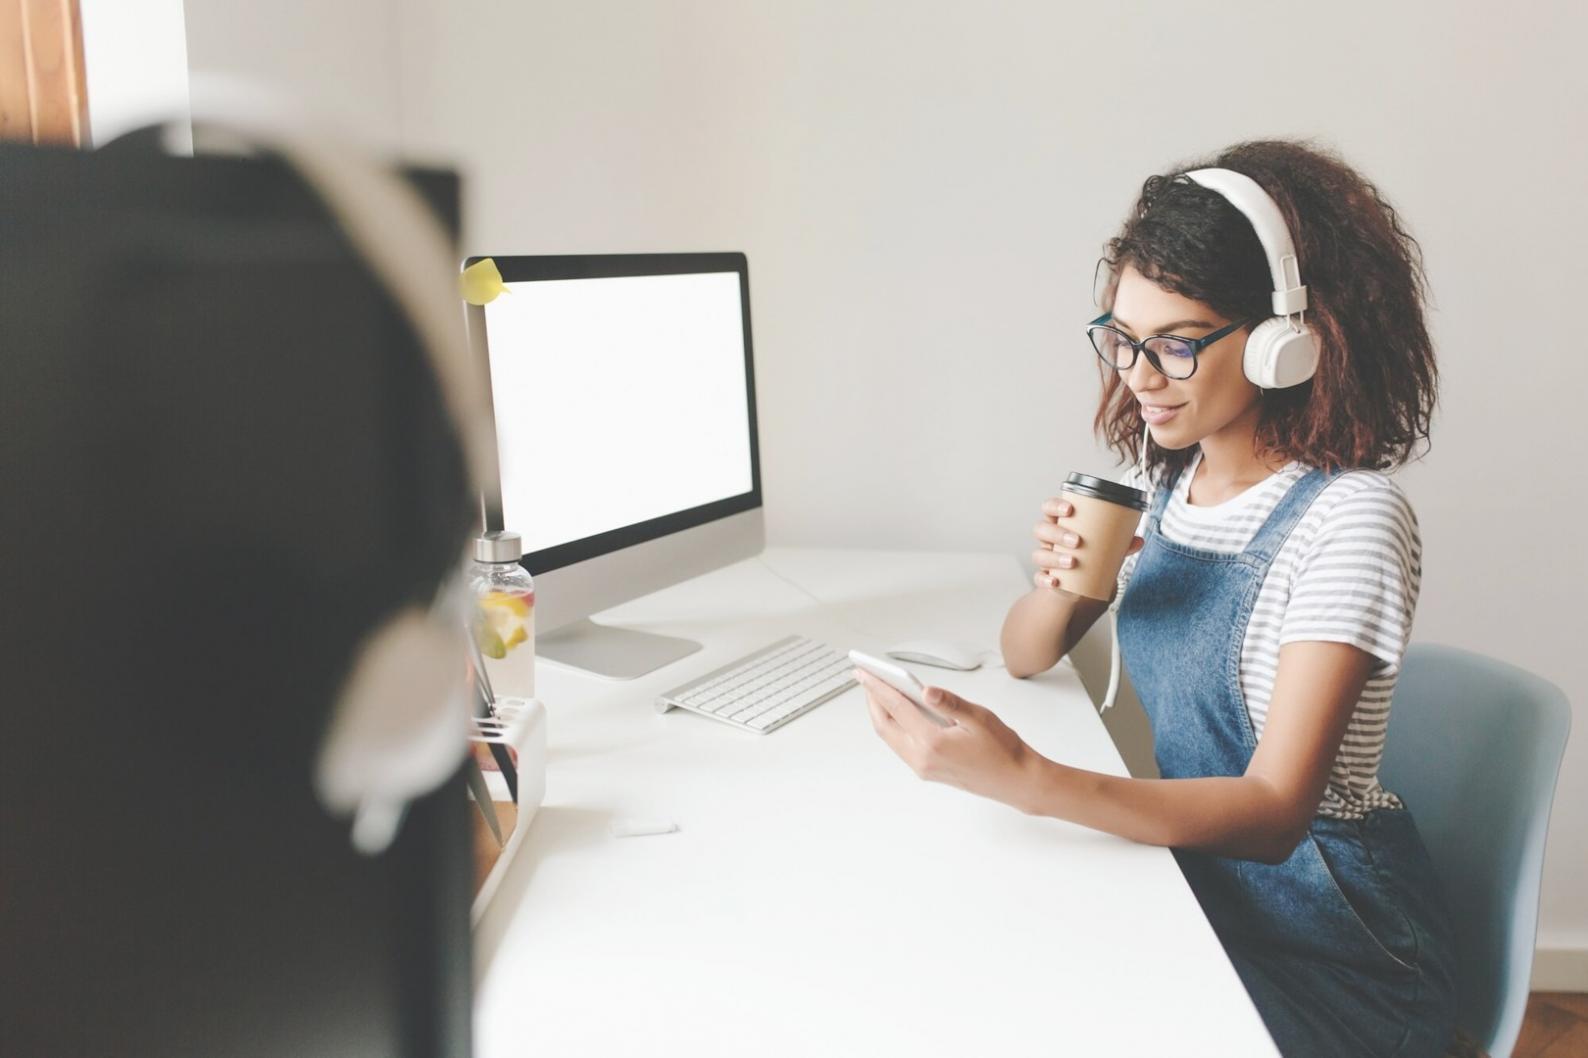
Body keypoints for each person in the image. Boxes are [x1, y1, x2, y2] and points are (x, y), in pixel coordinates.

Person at [856, 139, 1459, 1058]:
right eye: (1124, 339)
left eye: (1176, 344)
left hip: (1334, 953)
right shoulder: (1162, 489)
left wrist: (1029, 780)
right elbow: (1025, 653)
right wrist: (1065, 582)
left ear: (1285, 343)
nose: (1138, 375)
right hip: (1200, 893)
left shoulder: (1351, 521)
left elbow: (1275, 812)